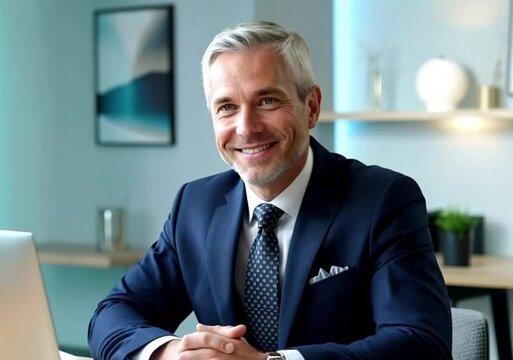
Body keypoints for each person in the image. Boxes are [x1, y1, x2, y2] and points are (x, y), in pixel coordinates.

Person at [88, 21, 452, 360]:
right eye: (227, 107)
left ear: (311, 108)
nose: (246, 128)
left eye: (267, 101)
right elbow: (113, 313)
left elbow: (420, 341)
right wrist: (171, 353)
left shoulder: (382, 199)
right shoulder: (196, 205)